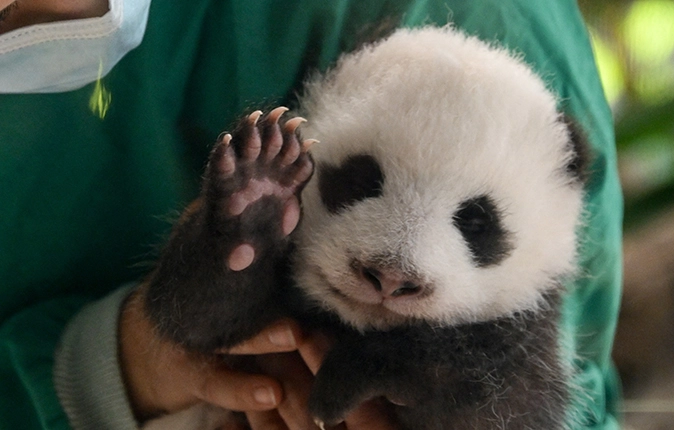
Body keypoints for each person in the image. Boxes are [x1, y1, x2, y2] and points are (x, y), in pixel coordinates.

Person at [0, 0, 623, 428]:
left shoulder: (488, 30)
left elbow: (549, 405)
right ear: (323, 95)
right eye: (362, 181)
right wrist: (117, 373)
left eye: (475, 223)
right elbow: (188, 326)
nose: (398, 264)